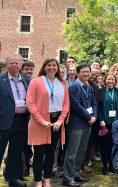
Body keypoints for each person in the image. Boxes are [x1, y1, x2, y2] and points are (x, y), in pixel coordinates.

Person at [26, 58, 70, 187]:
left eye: (54, 65)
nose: (51, 67)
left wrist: (60, 120)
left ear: (57, 68)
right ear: (44, 67)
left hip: (56, 122)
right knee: (39, 154)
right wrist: (42, 121)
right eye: (49, 65)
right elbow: (30, 103)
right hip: (39, 122)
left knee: (51, 154)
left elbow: (66, 104)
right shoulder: (36, 82)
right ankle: (38, 182)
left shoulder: (62, 84)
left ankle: (47, 180)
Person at [62, 64, 97, 187]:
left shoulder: (90, 87)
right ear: (77, 73)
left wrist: (94, 117)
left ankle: (76, 174)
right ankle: (67, 177)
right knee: (72, 152)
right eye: (83, 72)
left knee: (81, 151)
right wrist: (89, 117)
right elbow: (75, 106)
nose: (86, 74)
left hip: (88, 124)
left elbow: (94, 103)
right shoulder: (73, 87)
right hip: (77, 124)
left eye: (88, 72)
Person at [0, 54, 31, 187]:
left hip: (21, 120)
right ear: (7, 65)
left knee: (16, 151)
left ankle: (12, 178)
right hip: (3, 121)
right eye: (11, 63)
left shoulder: (26, 80)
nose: (14, 65)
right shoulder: (1, 80)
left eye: (17, 63)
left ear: (20, 65)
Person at [97, 73, 118, 175]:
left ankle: (112, 165)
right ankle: (105, 166)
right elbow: (97, 107)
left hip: (116, 124)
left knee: (114, 145)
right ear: (105, 80)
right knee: (105, 145)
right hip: (104, 123)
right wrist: (100, 120)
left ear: (115, 81)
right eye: (108, 79)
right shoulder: (100, 92)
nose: (110, 81)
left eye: (112, 79)